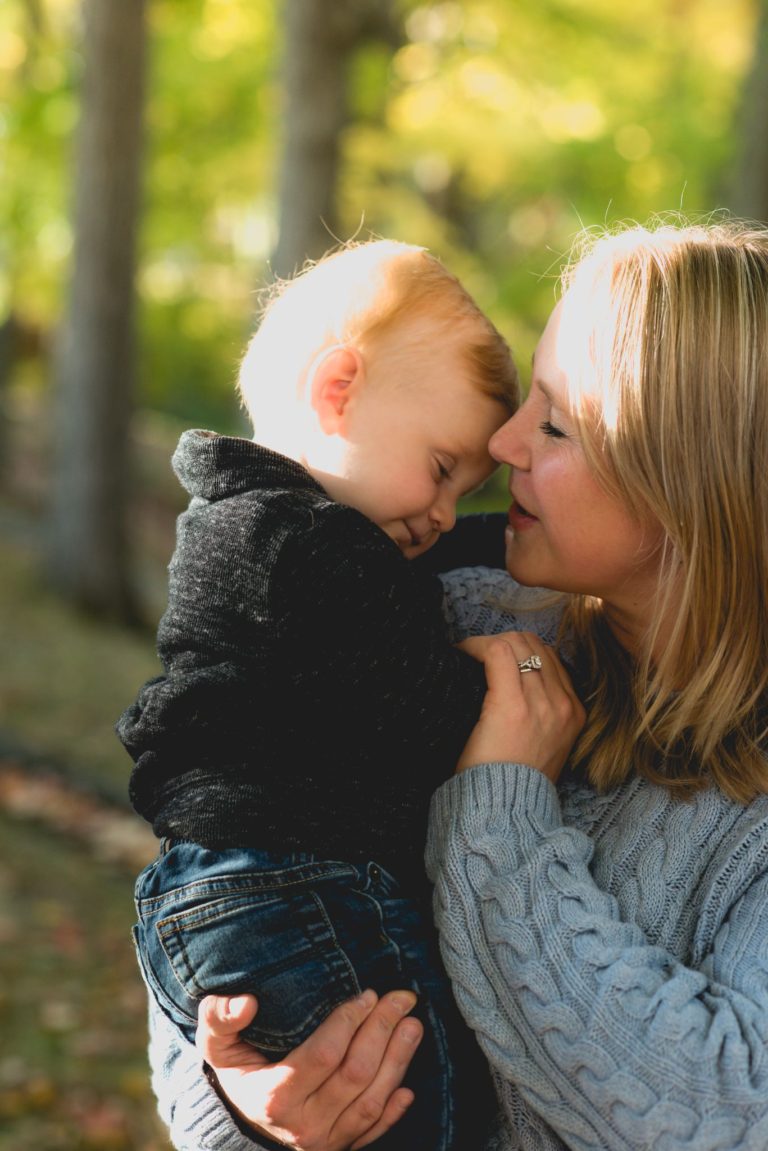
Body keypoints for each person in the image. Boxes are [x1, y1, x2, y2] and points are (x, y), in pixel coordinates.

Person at [143, 215, 768, 1151]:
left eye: (556, 422)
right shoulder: (446, 611)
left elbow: (734, 1108)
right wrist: (243, 1098)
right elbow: (233, 865)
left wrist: (500, 814)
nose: (506, 443)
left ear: (688, 485)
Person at [117, 238, 520, 1151]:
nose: (448, 512)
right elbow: (429, 708)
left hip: (231, 891)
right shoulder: (300, 548)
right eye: (445, 466)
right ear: (339, 390)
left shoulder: (251, 525)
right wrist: (506, 688)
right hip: (301, 882)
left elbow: (425, 567)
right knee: (431, 1116)